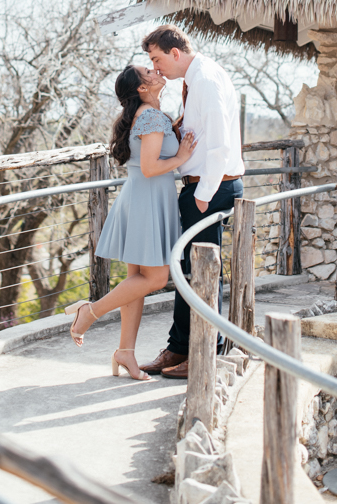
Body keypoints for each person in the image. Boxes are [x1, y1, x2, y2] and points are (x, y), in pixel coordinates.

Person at [65, 63, 197, 381]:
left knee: (136, 281)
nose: (156, 71)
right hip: (147, 200)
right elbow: (151, 167)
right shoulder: (150, 116)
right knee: (153, 279)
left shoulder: (149, 115)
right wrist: (181, 157)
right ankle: (90, 312)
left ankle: (126, 352)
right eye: (148, 73)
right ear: (141, 87)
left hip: (143, 198)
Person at [138, 25, 244, 380]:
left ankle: (204, 351)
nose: (156, 67)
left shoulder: (206, 80)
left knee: (202, 273)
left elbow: (220, 146)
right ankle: (179, 347)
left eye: (156, 59)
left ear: (174, 53)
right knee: (187, 270)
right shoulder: (194, 79)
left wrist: (202, 196)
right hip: (199, 189)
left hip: (210, 191)